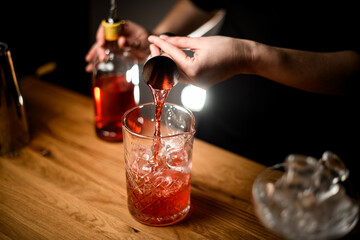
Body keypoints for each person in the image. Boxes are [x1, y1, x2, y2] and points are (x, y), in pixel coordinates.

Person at [86, 0, 360, 170]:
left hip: (303, 146)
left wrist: (248, 56)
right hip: (221, 128)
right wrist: (155, 39)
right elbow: (201, 1)